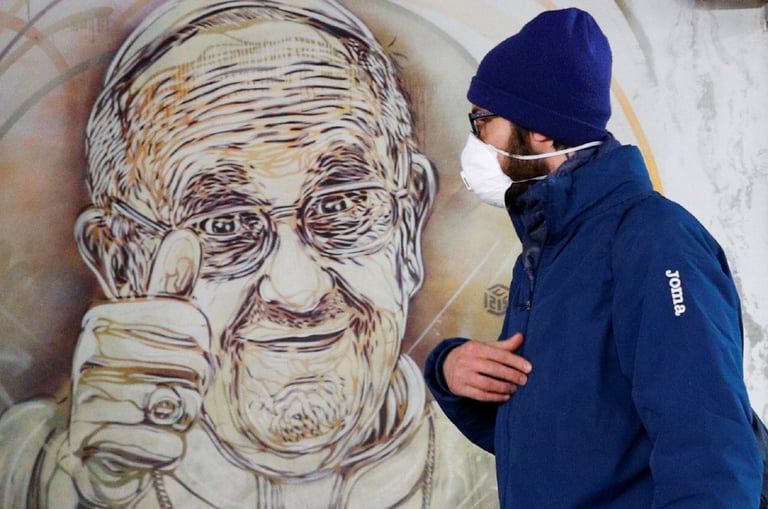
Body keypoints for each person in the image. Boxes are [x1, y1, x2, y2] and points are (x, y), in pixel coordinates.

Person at [0, 1, 498, 508]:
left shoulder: (494, 472)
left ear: (408, 222)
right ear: (122, 262)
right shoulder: (35, 472)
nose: (299, 291)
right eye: (225, 224)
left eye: (341, 205)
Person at [424, 7, 763, 508]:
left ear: (541, 132)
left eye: (483, 121)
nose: (474, 141)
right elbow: (567, 443)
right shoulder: (551, 248)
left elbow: (710, 452)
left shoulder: (654, 241)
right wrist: (450, 371)